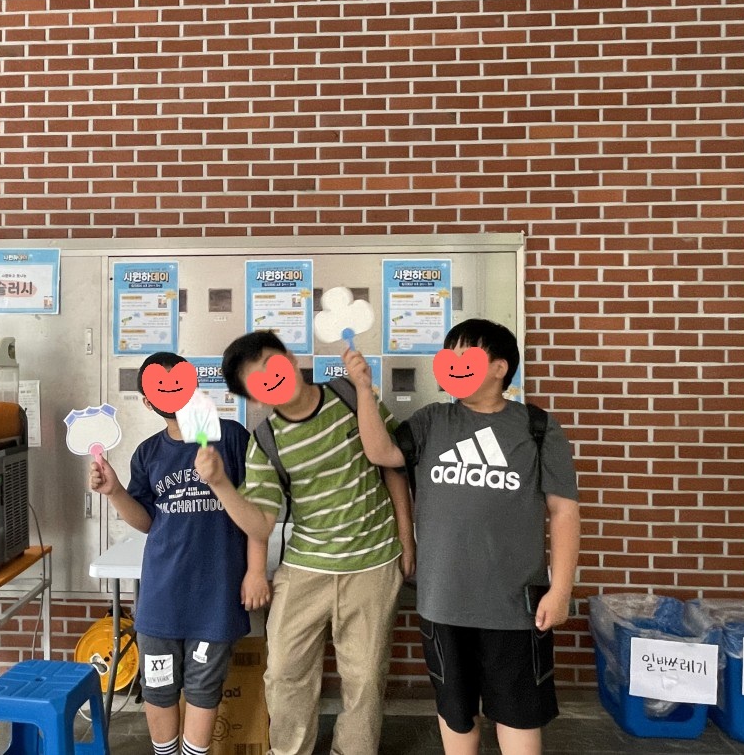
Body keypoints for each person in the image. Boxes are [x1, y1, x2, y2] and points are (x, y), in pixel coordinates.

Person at [345, 318, 580, 755]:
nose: (452, 364)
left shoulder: (537, 427)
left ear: (499, 368)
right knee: (456, 713)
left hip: (515, 607)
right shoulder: (433, 420)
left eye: (464, 354)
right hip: (443, 603)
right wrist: (362, 389)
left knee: (518, 715)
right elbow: (382, 452)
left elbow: (564, 512)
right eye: (448, 356)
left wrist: (561, 589)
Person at [194, 331, 415, 755]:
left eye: (272, 365)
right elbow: (260, 525)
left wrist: (407, 538)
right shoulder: (265, 442)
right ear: (254, 399)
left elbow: (392, 464)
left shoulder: (350, 395)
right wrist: (220, 483)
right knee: (283, 672)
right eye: (258, 381)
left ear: (292, 359)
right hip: (306, 566)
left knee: (366, 679)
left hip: (373, 563)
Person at [89, 351, 270, 755]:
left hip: (216, 593)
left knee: (205, 687)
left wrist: (255, 571)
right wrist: (114, 491)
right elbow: (147, 521)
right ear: (148, 401)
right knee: (158, 685)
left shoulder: (232, 437)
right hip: (161, 594)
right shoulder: (148, 453)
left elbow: (259, 509)